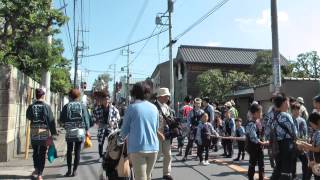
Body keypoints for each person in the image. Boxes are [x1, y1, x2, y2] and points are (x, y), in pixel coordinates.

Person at [119, 82, 160, 180]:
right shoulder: (154, 108)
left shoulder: (131, 108)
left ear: (134, 93)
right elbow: (156, 128)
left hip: (138, 148)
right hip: (154, 148)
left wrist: (118, 141)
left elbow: (124, 131)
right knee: (147, 176)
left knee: (141, 178)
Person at [26, 88, 57, 180]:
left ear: (36, 95)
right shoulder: (47, 106)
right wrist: (53, 133)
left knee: (35, 151)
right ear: (43, 96)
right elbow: (51, 121)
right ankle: (40, 173)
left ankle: (36, 169)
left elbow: (28, 116)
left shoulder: (31, 106)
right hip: (44, 130)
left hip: (34, 130)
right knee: (42, 152)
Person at [267, 93, 298, 180]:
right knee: (286, 171)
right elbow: (294, 133)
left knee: (278, 169)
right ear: (284, 102)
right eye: (288, 101)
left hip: (276, 145)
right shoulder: (286, 116)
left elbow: (267, 131)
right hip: (286, 145)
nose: (289, 104)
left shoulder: (271, 115)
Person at [60, 89, 91, 177]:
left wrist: (65, 125)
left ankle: (69, 170)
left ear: (70, 96)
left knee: (69, 151)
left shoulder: (67, 106)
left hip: (69, 131)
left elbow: (62, 119)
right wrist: (87, 130)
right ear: (78, 96)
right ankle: (75, 171)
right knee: (77, 151)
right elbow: (86, 118)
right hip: (80, 131)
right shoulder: (82, 106)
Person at [154, 88, 174, 180]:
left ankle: (166, 173)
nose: (168, 97)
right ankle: (148, 173)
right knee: (156, 156)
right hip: (156, 134)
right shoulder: (153, 106)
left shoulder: (166, 106)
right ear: (161, 96)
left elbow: (170, 118)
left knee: (168, 154)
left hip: (166, 133)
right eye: (167, 96)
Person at [93, 94, 120, 159]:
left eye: (107, 99)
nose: (106, 100)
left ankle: (109, 154)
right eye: (104, 99)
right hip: (102, 126)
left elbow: (118, 118)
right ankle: (101, 154)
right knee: (101, 141)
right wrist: (96, 121)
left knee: (111, 142)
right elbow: (94, 116)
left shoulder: (114, 109)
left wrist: (113, 122)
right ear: (102, 100)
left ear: (109, 100)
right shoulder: (97, 108)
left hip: (110, 127)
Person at [246, 103, 267, 180]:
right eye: (260, 112)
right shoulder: (251, 124)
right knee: (252, 164)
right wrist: (262, 142)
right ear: (255, 113)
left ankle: (261, 178)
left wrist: (263, 140)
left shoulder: (258, 122)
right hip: (253, 147)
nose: (261, 113)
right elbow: (253, 137)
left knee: (261, 165)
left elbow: (261, 133)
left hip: (259, 147)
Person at [298, 112, 320, 180]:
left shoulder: (318, 133)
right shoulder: (317, 132)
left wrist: (305, 145)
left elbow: (318, 149)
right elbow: (314, 146)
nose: (311, 125)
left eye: (311, 123)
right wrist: (304, 144)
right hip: (315, 161)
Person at [291, 102, 309, 180]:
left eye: (298, 109)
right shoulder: (290, 119)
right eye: (294, 109)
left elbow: (305, 133)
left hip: (301, 144)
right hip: (293, 145)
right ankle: (294, 177)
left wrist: (306, 143)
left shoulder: (302, 120)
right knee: (293, 163)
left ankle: (304, 177)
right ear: (291, 110)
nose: (296, 111)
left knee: (305, 161)